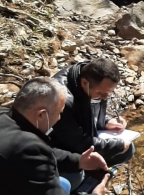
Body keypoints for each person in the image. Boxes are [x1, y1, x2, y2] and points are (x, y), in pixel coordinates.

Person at [0, 77, 110, 195]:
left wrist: (78, 161)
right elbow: (35, 154)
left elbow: (39, 154)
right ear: (41, 115)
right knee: (66, 184)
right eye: (59, 113)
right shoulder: (29, 148)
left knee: (66, 182)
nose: (58, 119)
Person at [51, 58, 134, 190]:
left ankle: (94, 174)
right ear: (84, 83)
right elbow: (78, 142)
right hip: (62, 149)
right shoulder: (63, 99)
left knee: (128, 149)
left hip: (81, 141)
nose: (105, 97)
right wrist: (116, 145)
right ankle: (87, 180)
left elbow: (90, 112)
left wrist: (106, 122)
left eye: (108, 93)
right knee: (74, 180)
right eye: (102, 94)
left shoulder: (93, 83)